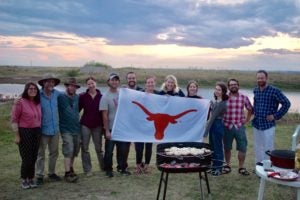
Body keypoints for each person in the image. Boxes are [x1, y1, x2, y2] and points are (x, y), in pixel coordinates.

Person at [252, 70, 291, 165]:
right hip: (257, 123)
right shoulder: (256, 90)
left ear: (266, 78)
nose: (260, 80)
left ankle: (267, 166)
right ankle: (258, 165)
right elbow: (256, 104)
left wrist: (275, 116)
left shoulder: (275, 91)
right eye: (258, 78)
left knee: (268, 147)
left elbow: (287, 103)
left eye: (262, 78)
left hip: (268, 124)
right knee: (258, 146)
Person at [11, 82, 42, 189]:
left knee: (34, 157)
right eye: (30, 88)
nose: (33, 90)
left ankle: (31, 178)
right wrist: (17, 135)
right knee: (26, 158)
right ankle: (24, 179)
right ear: (26, 90)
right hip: (25, 132)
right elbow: (14, 120)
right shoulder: (20, 102)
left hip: (37, 131)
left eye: (35, 89)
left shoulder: (37, 102)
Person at [100, 73, 131, 177]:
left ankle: (122, 168)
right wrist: (107, 130)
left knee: (122, 150)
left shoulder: (122, 93)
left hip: (120, 127)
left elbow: (129, 103)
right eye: (112, 80)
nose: (114, 82)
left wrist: (127, 91)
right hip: (111, 128)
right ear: (108, 82)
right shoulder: (105, 96)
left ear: (118, 82)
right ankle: (108, 169)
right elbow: (104, 115)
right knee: (109, 151)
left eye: (116, 80)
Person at [223, 79, 253, 176]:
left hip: (239, 126)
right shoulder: (224, 97)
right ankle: (227, 165)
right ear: (228, 87)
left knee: (242, 147)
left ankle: (241, 167)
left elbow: (250, 109)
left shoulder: (244, 97)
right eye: (231, 85)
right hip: (227, 126)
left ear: (238, 86)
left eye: (235, 84)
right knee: (227, 147)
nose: (233, 86)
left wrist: (247, 119)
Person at [36, 74, 61, 185]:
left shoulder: (57, 94)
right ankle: (39, 175)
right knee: (41, 154)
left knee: (54, 153)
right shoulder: (38, 95)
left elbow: (70, 96)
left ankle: (51, 173)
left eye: (52, 82)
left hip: (55, 129)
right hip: (42, 130)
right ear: (43, 83)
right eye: (48, 81)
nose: (51, 84)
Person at [79, 76, 104, 176]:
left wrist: (104, 126)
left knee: (99, 148)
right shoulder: (83, 96)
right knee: (85, 148)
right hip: (85, 125)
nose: (91, 85)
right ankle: (87, 170)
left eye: (92, 83)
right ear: (87, 85)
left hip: (97, 126)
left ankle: (103, 167)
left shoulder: (101, 96)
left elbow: (103, 112)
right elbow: (77, 109)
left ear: (96, 83)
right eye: (89, 84)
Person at [58, 78, 81, 182]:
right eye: (70, 85)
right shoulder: (60, 97)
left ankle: (71, 168)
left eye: (74, 86)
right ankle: (67, 173)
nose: (72, 87)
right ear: (66, 86)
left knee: (75, 150)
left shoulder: (77, 97)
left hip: (76, 128)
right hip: (65, 128)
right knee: (69, 149)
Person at [134, 76, 158, 174]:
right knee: (139, 147)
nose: (150, 84)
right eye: (148, 82)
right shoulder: (140, 94)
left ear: (154, 84)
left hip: (151, 126)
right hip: (140, 125)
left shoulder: (159, 95)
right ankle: (138, 165)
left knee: (149, 146)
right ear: (145, 84)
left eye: (152, 82)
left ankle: (147, 166)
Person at [204, 82, 228, 176]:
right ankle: (213, 166)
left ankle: (219, 168)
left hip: (218, 125)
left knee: (218, 147)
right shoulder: (216, 101)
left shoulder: (222, 103)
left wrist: (205, 132)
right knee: (212, 146)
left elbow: (213, 117)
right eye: (216, 89)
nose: (217, 91)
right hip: (213, 125)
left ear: (223, 92)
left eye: (219, 90)